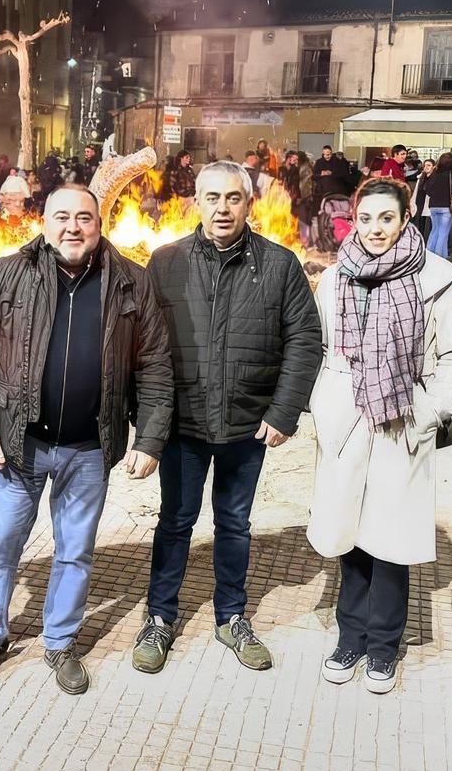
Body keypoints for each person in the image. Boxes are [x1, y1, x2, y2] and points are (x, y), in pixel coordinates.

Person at [0, 184, 173, 695]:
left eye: (84, 217)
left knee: (75, 551)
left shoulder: (130, 281)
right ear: (45, 222)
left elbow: (154, 365)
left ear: (99, 224)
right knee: (0, 545)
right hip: (19, 444)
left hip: (89, 448)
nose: (72, 227)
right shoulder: (10, 271)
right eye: (62, 216)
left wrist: (149, 439)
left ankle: (60, 641)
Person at [132, 162, 322, 675]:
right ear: (196, 201)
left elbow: (305, 341)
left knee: (234, 523)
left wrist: (284, 410)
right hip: (183, 425)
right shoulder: (166, 262)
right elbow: (144, 347)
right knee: (175, 521)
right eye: (212, 198)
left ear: (248, 204)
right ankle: (159, 617)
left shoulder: (280, 265)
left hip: (246, 423)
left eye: (233, 198)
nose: (222, 208)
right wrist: (147, 422)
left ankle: (231, 616)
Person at [308, 178, 452, 693]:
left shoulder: (435, 276)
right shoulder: (335, 277)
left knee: (391, 538)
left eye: (386, 218)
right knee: (349, 534)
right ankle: (349, 637)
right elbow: (320, 347)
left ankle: (383, 647)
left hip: (403, 416)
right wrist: (323, 403)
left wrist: (432, 409)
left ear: (405, 218)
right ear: (353, 221)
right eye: (366, 219)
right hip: (346, 418)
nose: (375, 229)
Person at [422, 153, 452, 257]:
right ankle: (439, 257)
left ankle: (429, 255)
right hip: (447, 206)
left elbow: (427, 189)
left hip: (433, 206)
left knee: (434, 231)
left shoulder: (435, 173)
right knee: (443, 234)